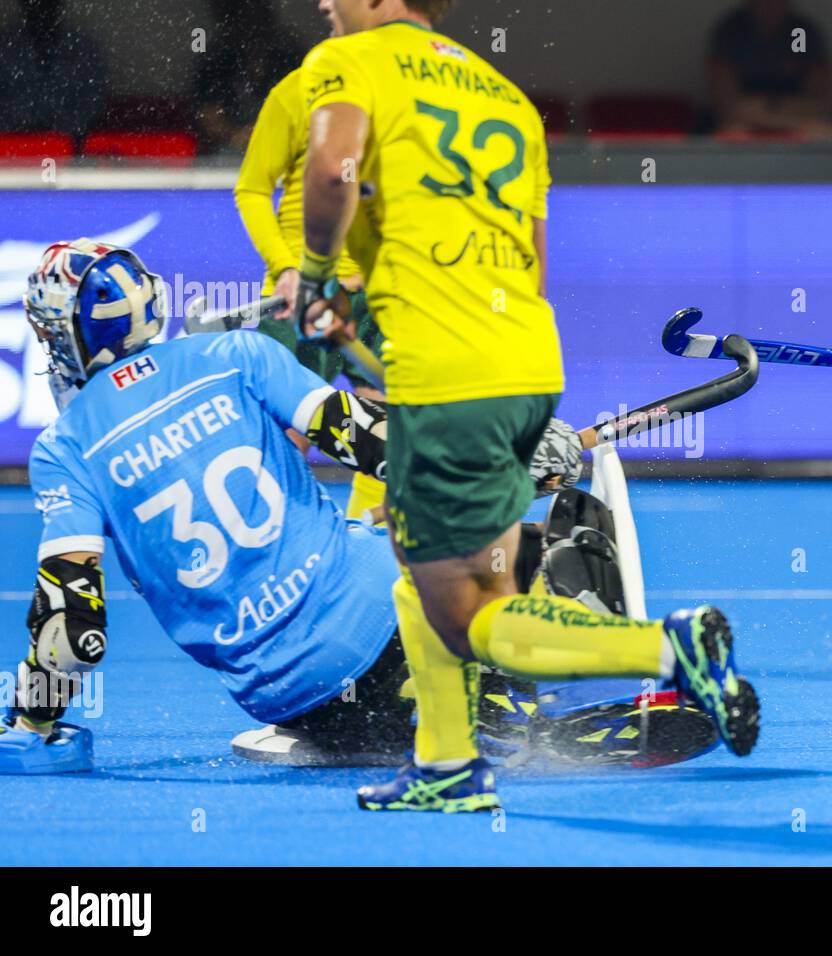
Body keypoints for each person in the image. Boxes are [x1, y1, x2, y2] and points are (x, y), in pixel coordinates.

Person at [293, 0, 759, 812]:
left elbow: (332, 171)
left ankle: (664, 646)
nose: (323, 5)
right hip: (521, 357)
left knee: (469, 611)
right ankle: (446, 764)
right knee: (431, 576)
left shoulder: (356, 62)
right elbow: (531, 270)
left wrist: (312, 271)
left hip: (444, 370)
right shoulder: (505, 95)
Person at [2, 240, 703, 776]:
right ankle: (543, 673)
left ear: (64, 334)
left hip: (304, 707)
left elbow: (72, 625)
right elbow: (375, 447)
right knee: (516, 531)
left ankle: (476, 705)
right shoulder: (236, 355)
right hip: (392, 614)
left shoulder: (63, 449)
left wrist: (33, 723)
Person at [234, 0, 386, 522]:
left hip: (376, 295)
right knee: (289, 436)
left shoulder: (395, 94)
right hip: (300, 298)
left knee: (384, 428)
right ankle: (273, 552)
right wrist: (288, 270)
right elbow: (252, 189)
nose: (324, 3)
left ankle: (363, 546)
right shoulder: (296, 90)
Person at [708, 0, 832, 139]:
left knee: (823, 133)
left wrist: (776, 112)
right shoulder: (731, 32)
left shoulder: (802, 32)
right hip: (746, 126)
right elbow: (726, 103)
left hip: (798, 123)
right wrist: (762, 115)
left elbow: (823, 102)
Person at [194, 0, 305, 155]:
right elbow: (207, 115)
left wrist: (271, 133)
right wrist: (235, 135)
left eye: (257, 10)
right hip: (228, 153)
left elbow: (305, 108)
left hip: (283, 147)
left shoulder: (288, 55)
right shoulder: (217, 59)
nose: (251, 21)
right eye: (243, 12)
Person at [0, 0, 107, 144]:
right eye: (34, 2)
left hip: (72, 146)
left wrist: (61, 128)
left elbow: (93, 101)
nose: (41, 7)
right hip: (11, 146)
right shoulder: (5, 46)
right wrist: (20, 126)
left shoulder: (83, 48)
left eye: (47, 3)